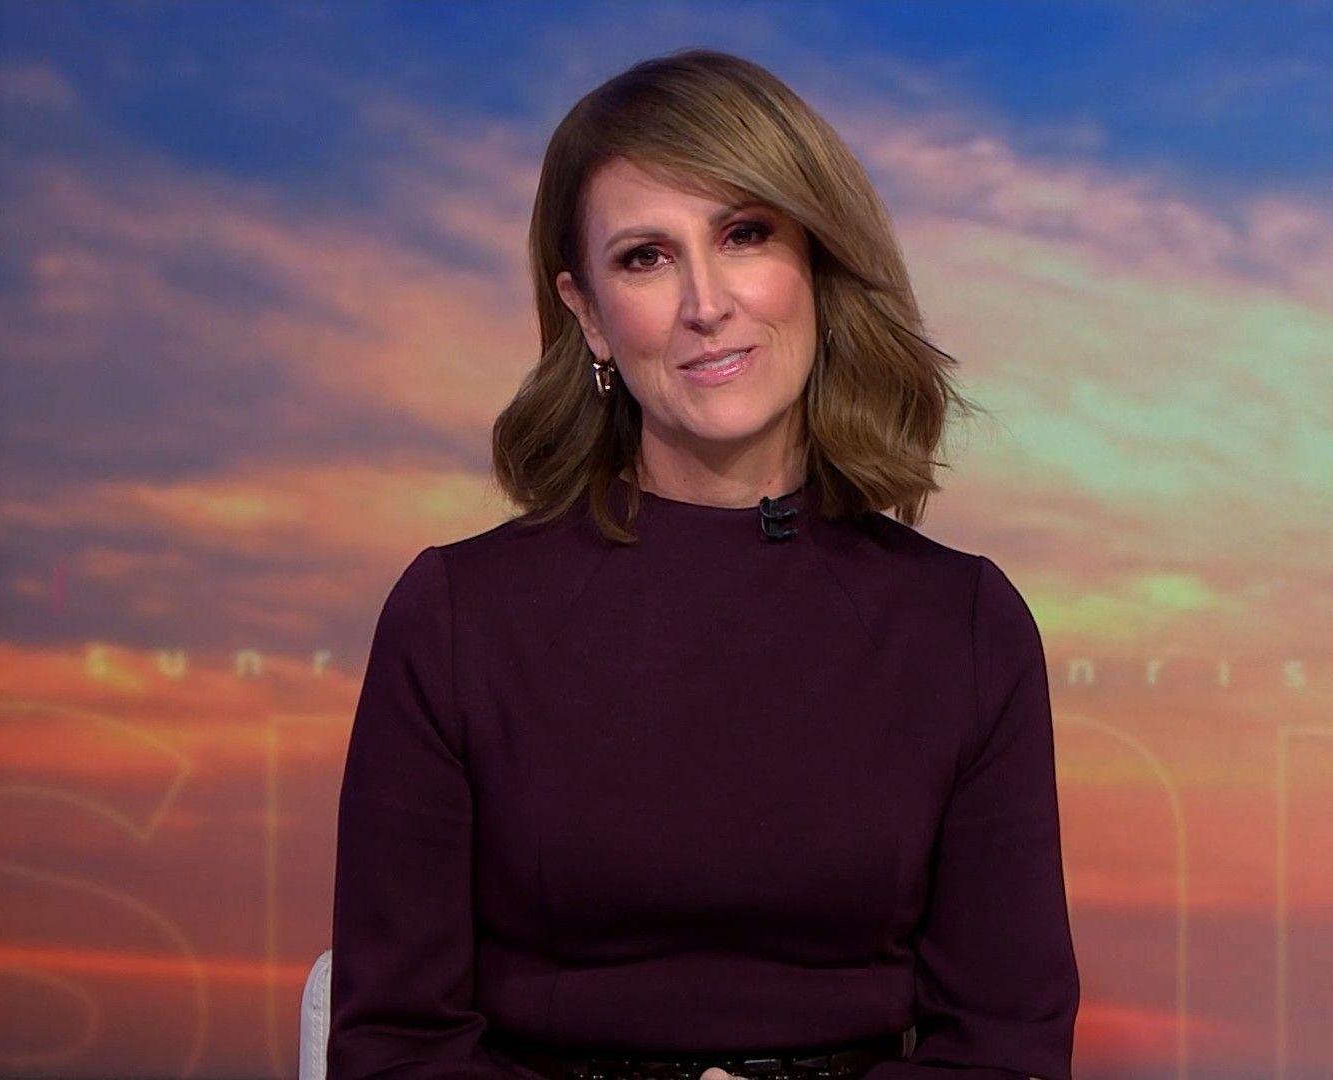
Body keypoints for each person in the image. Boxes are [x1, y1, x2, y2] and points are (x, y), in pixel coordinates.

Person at [329, 48, 1079, 1080]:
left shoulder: (965, 625)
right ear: (587, 313)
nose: (705, 302)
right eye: (646, 257)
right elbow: (394, 1049)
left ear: (815, 259)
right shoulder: (456, 617)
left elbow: (1006, 1051)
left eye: (745, 234)